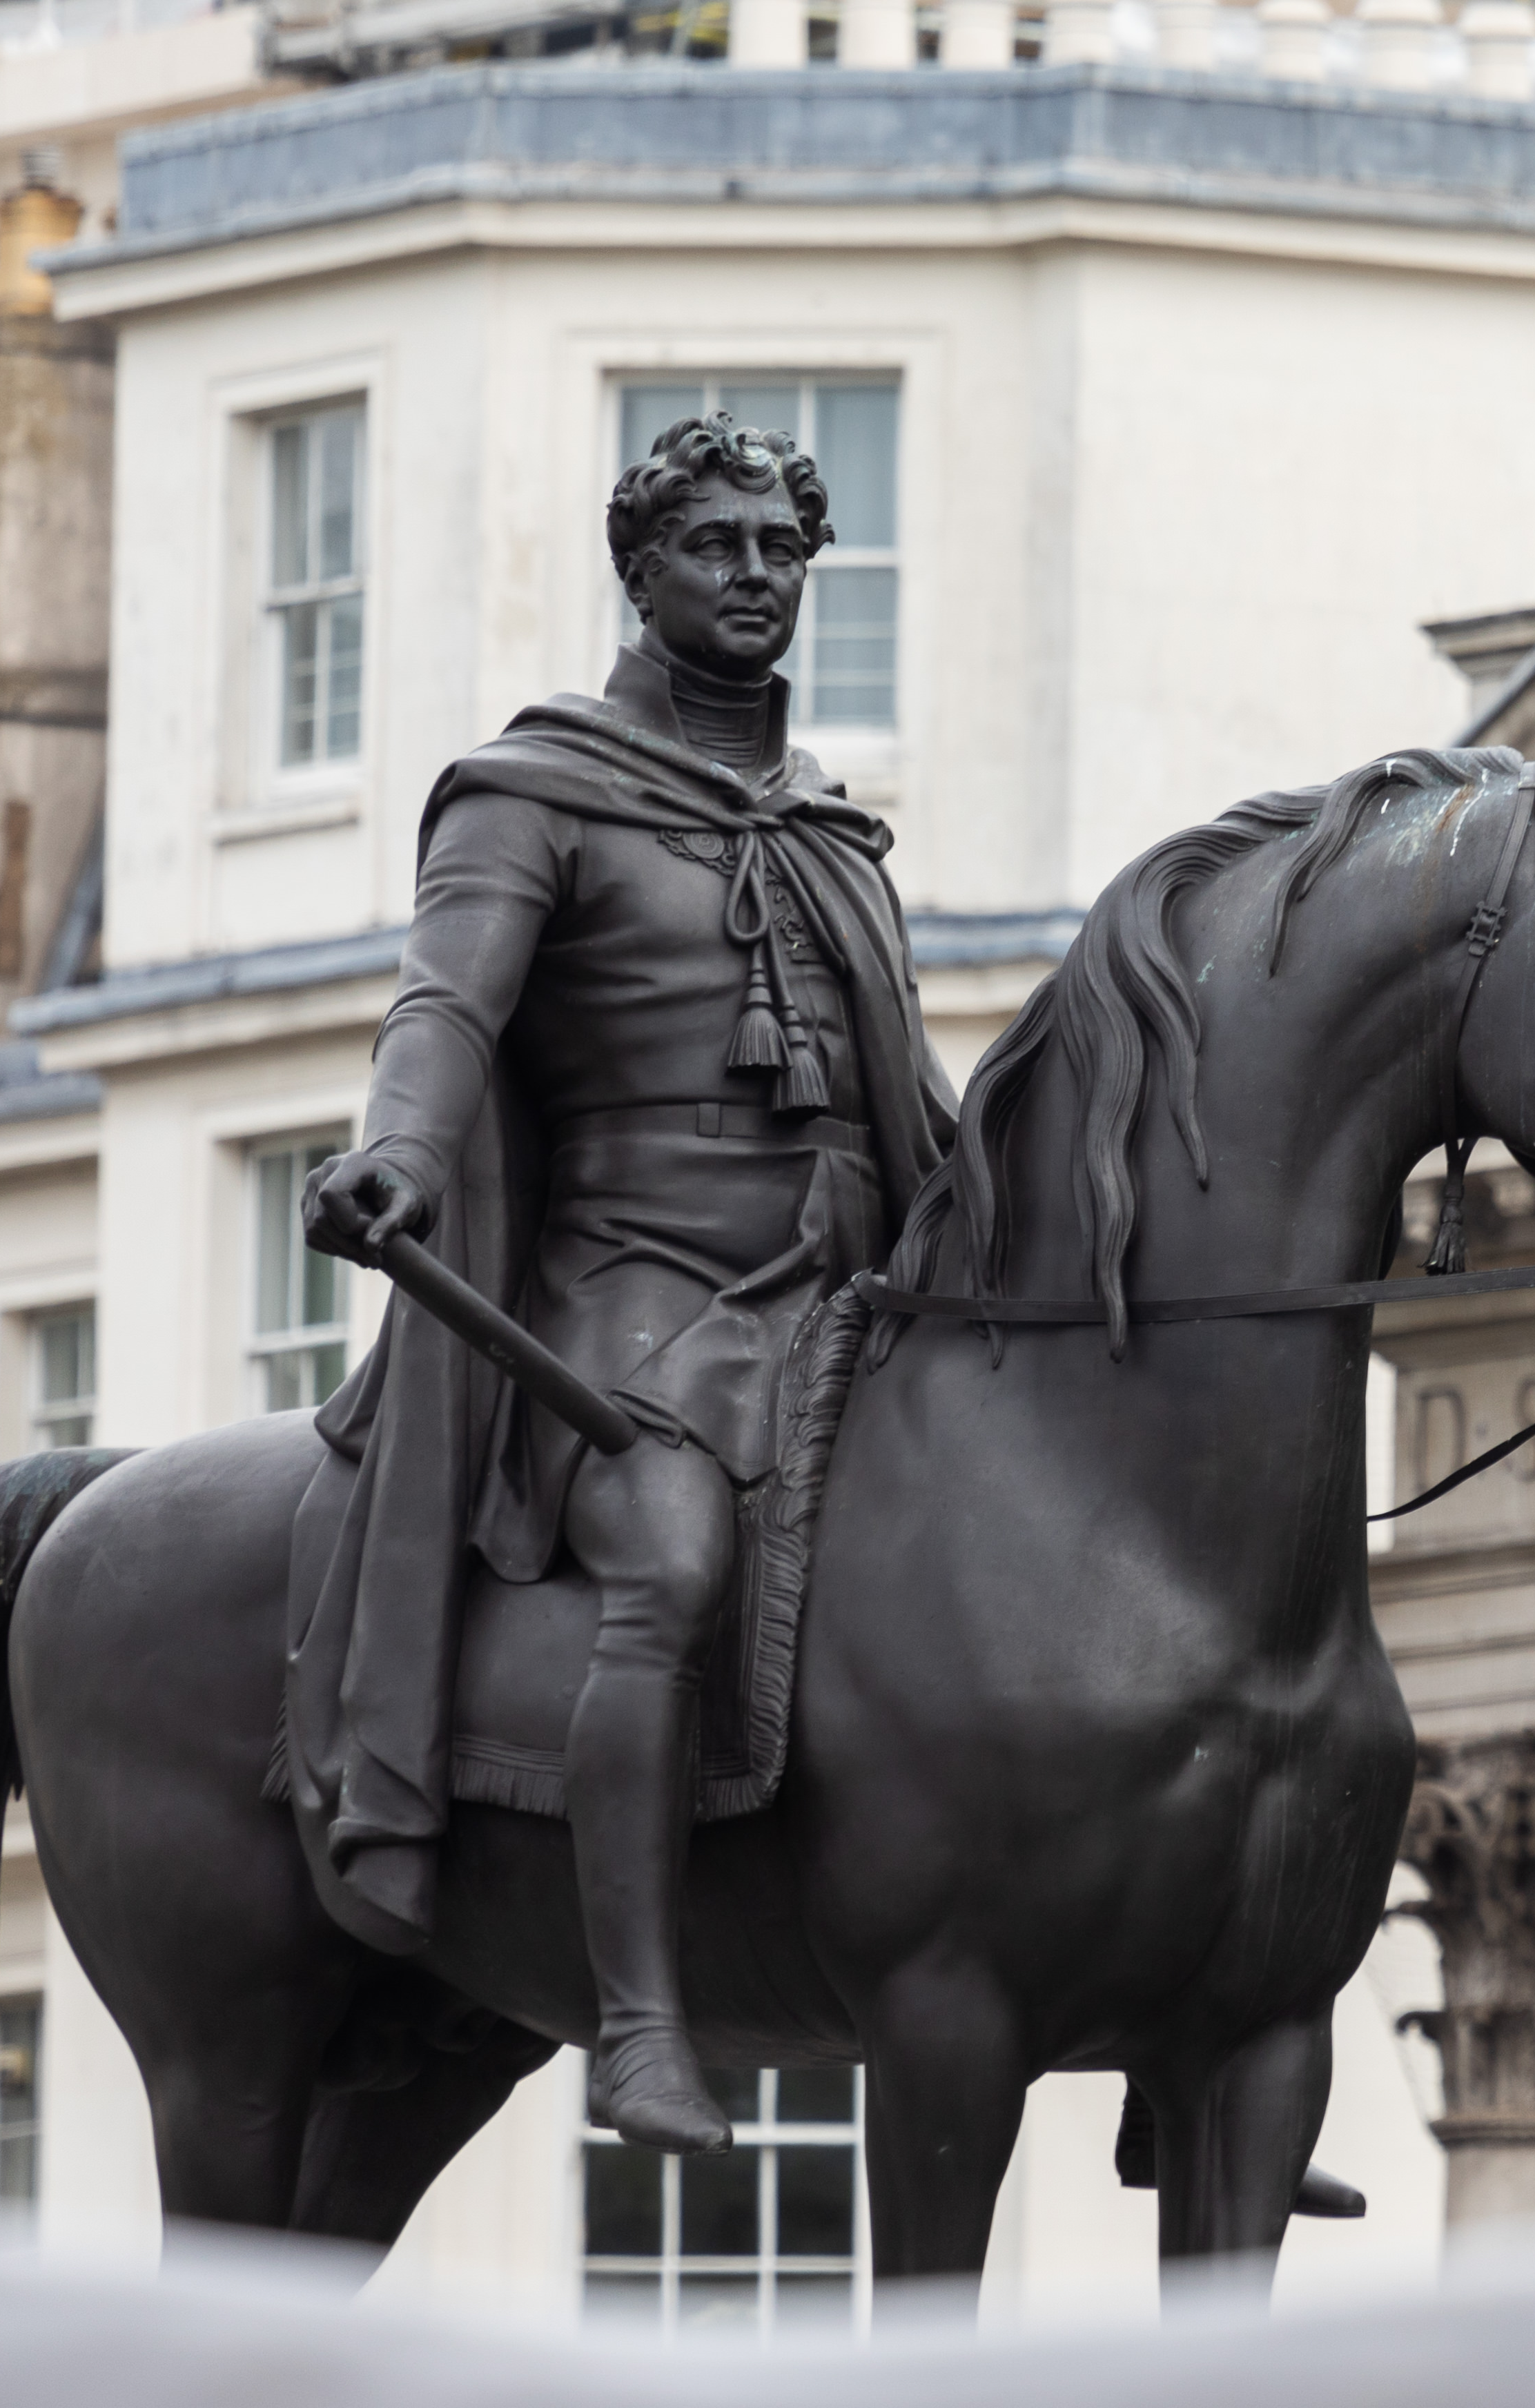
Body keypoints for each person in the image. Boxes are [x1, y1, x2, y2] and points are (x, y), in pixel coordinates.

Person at [291, 411, 954, 2155]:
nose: (756, 574)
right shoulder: (537, 790)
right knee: (670, 1559)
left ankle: (1170, 2002)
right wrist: (401, 1152)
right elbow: (445, 1005)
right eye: (716, 545)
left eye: (782, 548)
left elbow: (915, 1092)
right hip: (632, 1285)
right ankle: (641, 2020)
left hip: (845, 1288)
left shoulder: (834, 832)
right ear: (640, 570)